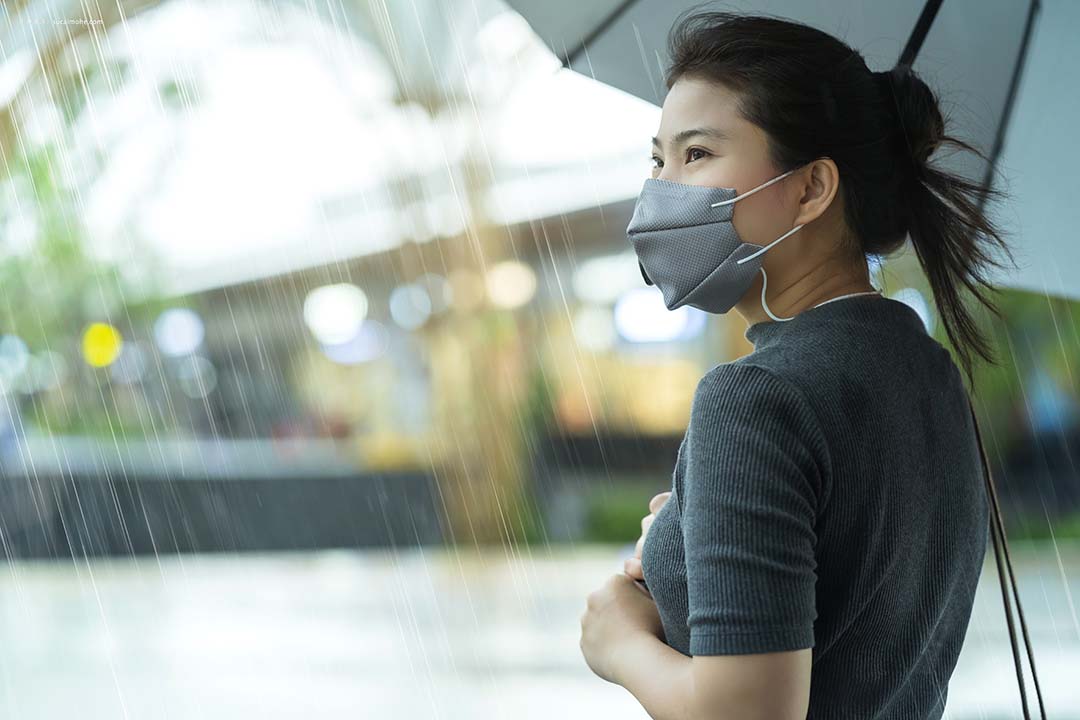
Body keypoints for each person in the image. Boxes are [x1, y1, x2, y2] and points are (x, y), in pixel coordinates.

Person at [578, 10, 1019, 720]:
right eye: (657, 159)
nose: (661, 190)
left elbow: (746, 713)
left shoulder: (755, 397)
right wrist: (690, 528)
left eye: (697, 155)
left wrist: (617, 639)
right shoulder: (928, 371)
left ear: (812, 189)